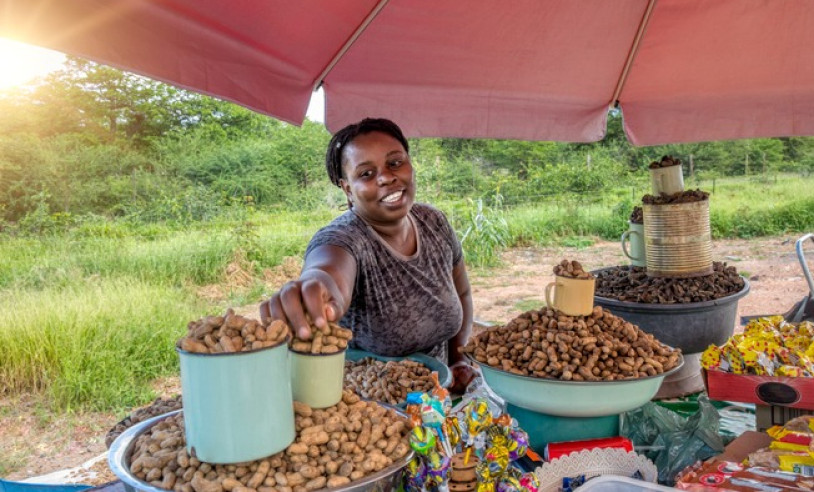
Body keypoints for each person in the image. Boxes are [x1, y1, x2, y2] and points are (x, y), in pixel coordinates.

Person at [260, 117, 476, 394]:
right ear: (347, 189)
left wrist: (457, 360)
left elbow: (463, 293)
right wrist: (317, 288)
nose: (386, 177)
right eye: (366, 174)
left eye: (395, 163)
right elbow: (329, 270)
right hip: (376, 412)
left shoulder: (433, 222)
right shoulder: (344, 239)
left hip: (438, 400)